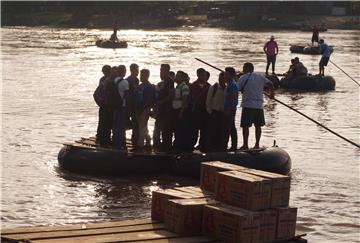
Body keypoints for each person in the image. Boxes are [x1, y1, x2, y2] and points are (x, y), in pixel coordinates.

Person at [237, 62, 275, 150]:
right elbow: (271, 84)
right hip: (258, 105)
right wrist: (272, 94)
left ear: (246, 69)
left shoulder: (243, 77)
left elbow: (237, 89)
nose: (243, 70)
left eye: (243, 68)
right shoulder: (260, 77)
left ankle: (245, 144)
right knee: (258, 126)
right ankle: (257, 144)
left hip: (248, 105)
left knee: (245, 126)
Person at [204, 72, 227, 152]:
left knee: (222, 131)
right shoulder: (214, 88)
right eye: (220, 78)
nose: (221, 80)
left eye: (223, 78)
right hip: (214, 112)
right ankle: (211, 148)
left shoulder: (227, 88)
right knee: (212, 131)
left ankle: (220, 148)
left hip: (223, 113)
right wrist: (210, 112)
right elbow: (208, 101)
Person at [189, 68, 210, 151]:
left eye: (205, 75)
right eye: (203, 75)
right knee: (194, 129)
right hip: (196, 110)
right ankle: (192, 144)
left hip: (205, 111)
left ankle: (202, 144)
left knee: (204, 129)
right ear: (198, 75)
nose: (204, 77)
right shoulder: (193, 86)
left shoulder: (208, 86)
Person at [154, 64, 174, 152]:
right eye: (160, 70)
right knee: (158, 127)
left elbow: (171, 95)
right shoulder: (163, 81)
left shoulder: (169, 81)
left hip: (166, 109)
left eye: (162, 70)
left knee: (166, 129)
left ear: (167, 71)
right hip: (161, 108)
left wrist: (160, 102)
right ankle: (158, 144)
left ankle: (166, 146)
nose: (161, 72)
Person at [135, 69, 155, 151]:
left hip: (145, 109)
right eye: (140, 75)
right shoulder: (140, 86)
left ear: (147, 76)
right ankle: (148, 141)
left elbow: (149, 99)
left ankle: (140, 145)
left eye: (142, 75)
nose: (141, 77)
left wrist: (143, 109)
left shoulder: (149, 86)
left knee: (142, 127)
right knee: (143, 126)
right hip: (139, 109)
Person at [94, 65, 112, 148]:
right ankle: (105, 139)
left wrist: (100, 103)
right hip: (106, 105)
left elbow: (98, 93)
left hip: (103, 105)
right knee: (106, 123)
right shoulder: (108, 80)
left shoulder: (102, 79)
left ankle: (99, 137)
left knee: (101, 122)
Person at [112, 65, 129, 150]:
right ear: (123, 71)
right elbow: (127, 95)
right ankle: (118, 146)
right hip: (122, 106)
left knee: (115, 126)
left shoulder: (114, 80)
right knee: (121, 126)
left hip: (115, 105)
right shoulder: (124, 82)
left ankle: (115, 143)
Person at [172, 71, 191, 151]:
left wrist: (181, 112)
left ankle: (179, 146)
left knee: (180, 129)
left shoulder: (184, 87)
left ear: (182, 78)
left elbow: (185, 100)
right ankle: (177, 145)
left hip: (181, 110)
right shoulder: (178, 86)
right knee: (177, 129)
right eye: (176, 76)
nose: (176, 77)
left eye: (178, 76)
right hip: (176, 109)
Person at [224, 67, 238, 151]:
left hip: (230, 109)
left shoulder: (232, 85)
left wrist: (229, 110)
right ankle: (230, 145)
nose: (224, 76)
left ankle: (233, 146)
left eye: (226, 75)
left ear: (231, 75)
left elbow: (232, 98)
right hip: (228, 108)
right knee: (229, 127)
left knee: (231, 127)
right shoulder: (229, 84)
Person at [126, 63, 140, 148]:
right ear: (131, 70)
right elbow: (128, 95)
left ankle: (135, 141)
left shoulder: (136, 80)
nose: (137, 72)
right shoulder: (128, 80)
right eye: (136, 70)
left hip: (135, 105)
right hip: (130, 106)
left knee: (136, 125)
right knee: (129, 124)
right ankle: (133, 141)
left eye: (138, 70)